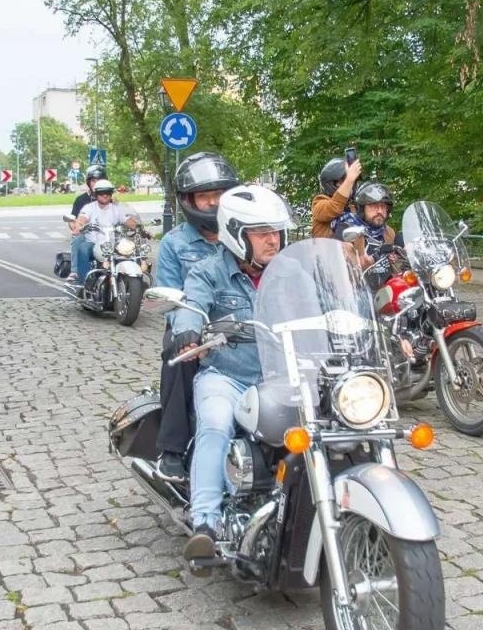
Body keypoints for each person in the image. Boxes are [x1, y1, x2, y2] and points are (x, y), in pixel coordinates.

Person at [168, 185, 294, 561]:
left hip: (282, 378)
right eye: (262, 233)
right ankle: (206, 522)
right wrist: (189, 330)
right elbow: (190, 304)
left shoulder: (289, 272)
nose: (274, 240)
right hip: (227, 375)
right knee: (217, 423)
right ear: (237, 235)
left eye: (277, 231)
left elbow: (320, 300)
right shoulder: (209, 272)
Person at [154, 152, 241, 478]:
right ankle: (172, 448)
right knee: (179, 356)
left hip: (243, 323)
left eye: (220, 195)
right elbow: (171, 300)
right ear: (188, 201)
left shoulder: (243, 235)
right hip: (196, 325)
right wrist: (188, 333)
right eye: (205, 196)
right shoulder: (175, 244)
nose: (214, 203)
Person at [70, 179, 131, 283]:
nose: (105, 195)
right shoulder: (89, 208)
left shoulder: (117, 209)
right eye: (101, 193)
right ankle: (84, 282)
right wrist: (78, 226)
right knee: (83, 249)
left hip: (113, 243)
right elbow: (82, 218)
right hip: (93, 243)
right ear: (96, 194)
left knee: (131, 250)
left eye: (107, 192)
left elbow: (128, 221)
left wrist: (139, 227)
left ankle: (129, 280)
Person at [311, 154, 363, 239]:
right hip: (325, 251)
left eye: (352, 182)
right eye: (343, 180)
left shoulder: (353, 208)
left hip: (350, 252)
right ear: (331, 183)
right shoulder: (319, 203)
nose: (350, 185)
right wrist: (349, 179)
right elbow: (334, 207)